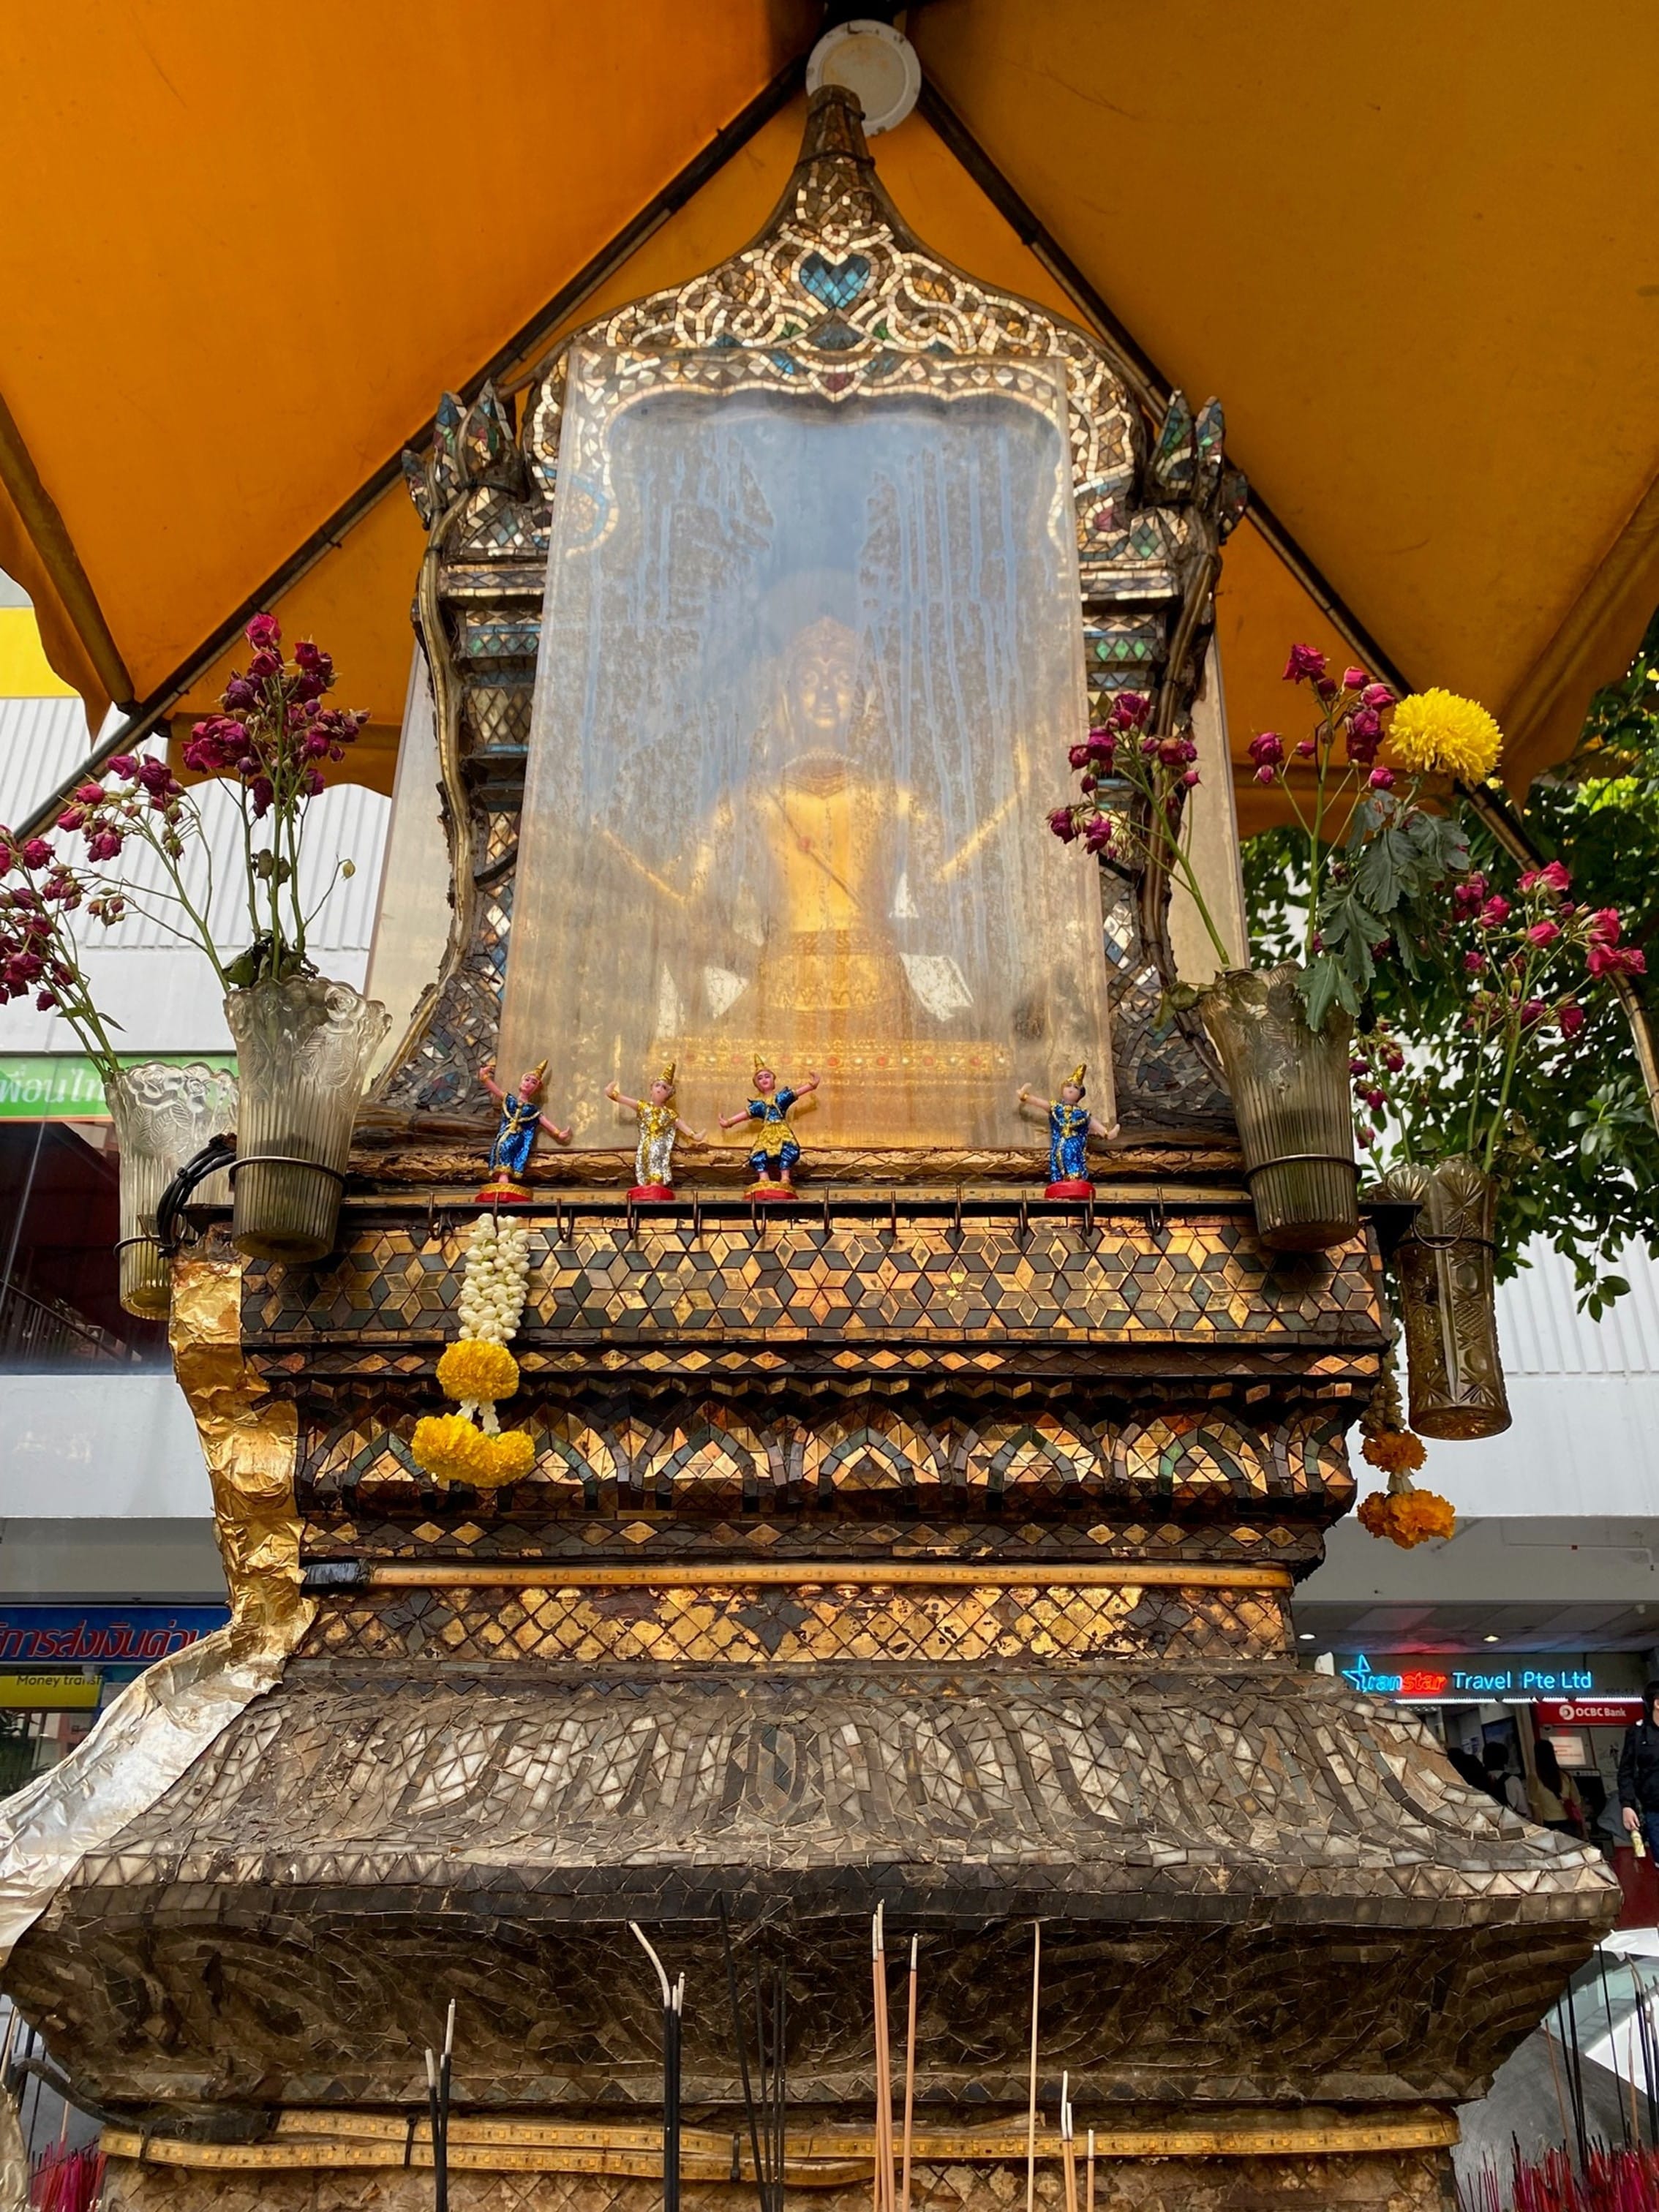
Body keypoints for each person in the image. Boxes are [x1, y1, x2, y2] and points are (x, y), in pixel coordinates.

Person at [1618, 1681, 1659, 1854]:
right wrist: (1627, 1805)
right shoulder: (1638, 1732)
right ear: (1657, 1703)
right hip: (1655, 1811)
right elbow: (1626, 1771)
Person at [1528, 1739, 1584, 1835]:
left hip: (1549, 1827)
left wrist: (1538, 1833)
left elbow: (1536, 1809)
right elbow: (1577, 1805)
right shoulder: (1565, 1776)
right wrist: (1584, 1832)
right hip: (1569, 1826)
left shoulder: (1534, 1778)